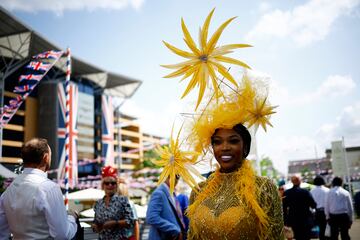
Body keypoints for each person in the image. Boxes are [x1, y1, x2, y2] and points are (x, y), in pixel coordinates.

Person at [187, 124, 284, 239]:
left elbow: (275, 236)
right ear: (212, 148)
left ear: (246, 147)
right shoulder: (199, 191)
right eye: (218, 142)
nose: (224, 147)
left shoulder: (263, 187)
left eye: (233, 141)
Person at [0, 138, 78, 239]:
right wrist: (72, 217)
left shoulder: (9, 191)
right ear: (45, 157)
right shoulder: (49, 188)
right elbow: (62, 235)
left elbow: (2, 232)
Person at [92, 166, 134, 240]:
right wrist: (95, 226)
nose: (110, 185)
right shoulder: (98, 203)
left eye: (113, 183)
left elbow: (130, 221)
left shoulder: (122, 200)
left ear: (116, 185)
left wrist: (115, 223)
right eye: (107, 183)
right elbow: (96, 222)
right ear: (102, 185)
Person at [146, 175, 185, 240]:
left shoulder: (171, 193)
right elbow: (151, 217)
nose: (176, 180)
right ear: (167, 176)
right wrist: (174, 229)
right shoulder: (159, 193)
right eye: (175, 176)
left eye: (178, 177)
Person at [283, 175, 317, 240]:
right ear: (300, 181)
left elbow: (283, 208)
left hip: (293, 220)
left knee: (297, 237)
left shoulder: (287, 193)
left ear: (292, 182)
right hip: (305, 220)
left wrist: (285, 221)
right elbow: (313, 205)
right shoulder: (305, 192)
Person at [311, 175, 330, 240]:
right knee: (327, 228)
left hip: (317, 212)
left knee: (320, 229)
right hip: (326, 211)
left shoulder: (312, 191)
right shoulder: (327, 190)